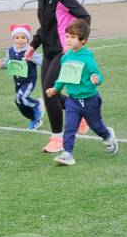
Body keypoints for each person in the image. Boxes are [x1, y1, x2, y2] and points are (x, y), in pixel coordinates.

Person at [24, 0, 92, 153]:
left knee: (49, 90)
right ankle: (83, 114)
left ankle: (58, 138)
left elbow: (84, 16)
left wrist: (75, 43)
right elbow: (45, 26)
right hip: (48, 50)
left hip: (64, 52)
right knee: (48, 94)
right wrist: (34, 44)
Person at [46, 18, 118, 167]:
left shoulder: (87, 57)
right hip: (73, 100)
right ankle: (67, 153)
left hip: (90, 100)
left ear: (83, 40)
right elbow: (63, 77)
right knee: (70, 127)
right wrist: (55, 89)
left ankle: (107, 135)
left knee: (96, 126)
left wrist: (96, 79)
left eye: (73, 37)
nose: (68, 40)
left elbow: (99, 76)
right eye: (67, 36)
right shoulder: (66, 57)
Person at [0, 24, 43, 128]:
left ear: (28, 39)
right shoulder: (10, 50)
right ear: (13, 38)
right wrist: (3, 64)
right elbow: (9, 62)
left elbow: (43, 62)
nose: (20, 40)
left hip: (29, 80)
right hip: (17, 81)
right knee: (18, 101)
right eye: (17, 38)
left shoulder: (30, 51)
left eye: (23, 37)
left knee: (21, 98)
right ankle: (34, 119)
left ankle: (36, 104)